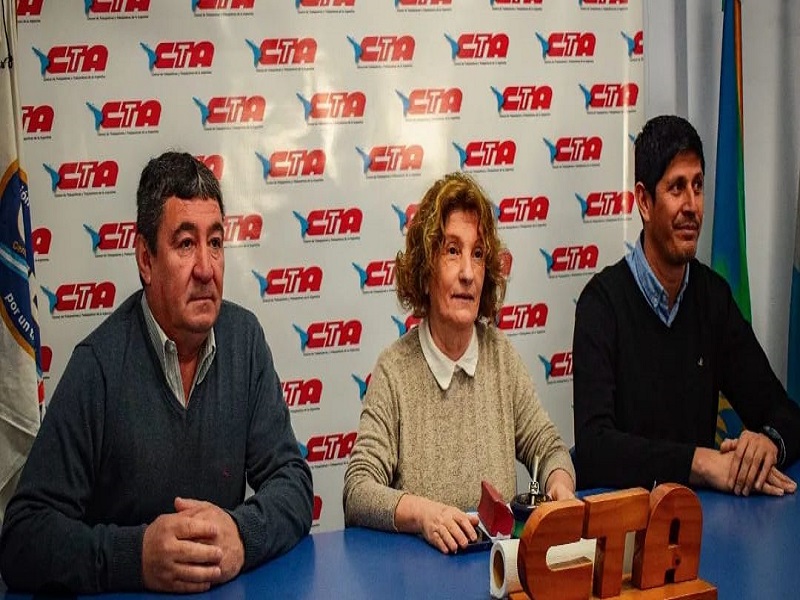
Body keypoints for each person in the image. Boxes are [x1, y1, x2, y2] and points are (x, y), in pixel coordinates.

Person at [0, 152, 313, 593]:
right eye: (185, 244)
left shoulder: (244, 341)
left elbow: (293, 482)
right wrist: (137, 556)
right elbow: (23, 538)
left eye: (215, 242)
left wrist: (243, 534)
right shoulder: (98, 365)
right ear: (146, 260)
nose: (206, 268)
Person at [343, 172, 574, 554]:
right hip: (421, 576)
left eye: (478, 254)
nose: (468, 273)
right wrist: (424, 515)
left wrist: (560, 484)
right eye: (452, 251)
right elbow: (358, 490)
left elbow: (548, 447)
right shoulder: (394, 370)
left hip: (494, 571)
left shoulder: (501, 356)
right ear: (425, 270)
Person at [573, 115, 800, 496]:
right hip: (627, 524)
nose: (692, 206)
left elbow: (783, 411)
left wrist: (769, 443)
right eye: (677, 188)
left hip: (702, 519)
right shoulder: (601, 304)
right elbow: (595, 448)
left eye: (698, 186)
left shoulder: (713, 298)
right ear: (644, 201)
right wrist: (701, 463)